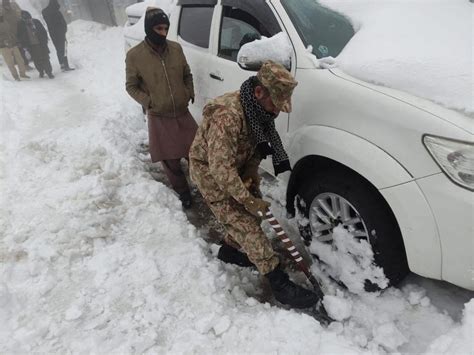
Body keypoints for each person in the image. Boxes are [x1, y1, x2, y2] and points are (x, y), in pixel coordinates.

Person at [189, 60, 319, 309]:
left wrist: (251, 172)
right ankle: (279, 283)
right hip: (210, 174)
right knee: (248, 226)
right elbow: (219, 168)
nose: (277, 112)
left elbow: (254, 147)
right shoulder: (227, 116)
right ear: (259, 92)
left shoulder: (259, 112)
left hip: (235, 169)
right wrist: (247, 199)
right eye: (275, 104)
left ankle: (230, 250)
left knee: (253, 215)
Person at [125, 7, 197, 209]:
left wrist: (189, 92)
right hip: (159, 115)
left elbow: (187, 74)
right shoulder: (135, 55)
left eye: (166, 28)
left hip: (182, 113)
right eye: (158, 28)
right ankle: (183, 192)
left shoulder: (176, 49)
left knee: (197, 153)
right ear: (149, 29)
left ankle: (204, 186)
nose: (163, 33)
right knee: (171, 160)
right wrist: (149, 102)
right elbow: (131, 86)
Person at [17, 11, 54, 79]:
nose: (28, 20)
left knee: (45, 58)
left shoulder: (36, 22)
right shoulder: (21, 25)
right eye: (26, 19)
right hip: (31, 45)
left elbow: (43, 31)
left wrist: (45, 40)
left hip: (41, 43)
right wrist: (24, 46)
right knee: (36, 59)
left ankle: (49, 72)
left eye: (29, 18)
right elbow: (20, 36)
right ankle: (41, 71)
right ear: (23, 19)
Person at [42, 0, 73, 71]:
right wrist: (64, 30)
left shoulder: (44, 12)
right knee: (63, 49)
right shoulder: (57, 12)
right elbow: (62, 22)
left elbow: (49, 22)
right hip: (60, 33)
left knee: (58, 49)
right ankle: (66, 66)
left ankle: (62, 65)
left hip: (53, 34)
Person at [0, 13, 28, 80]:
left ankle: (23, 74)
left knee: (20, 59)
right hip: (3, 46)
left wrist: (16, 41)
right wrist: (3, 41)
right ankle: (15, 76)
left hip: (13, 43)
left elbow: (11, 32)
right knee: (10, 62)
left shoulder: (5, 21)